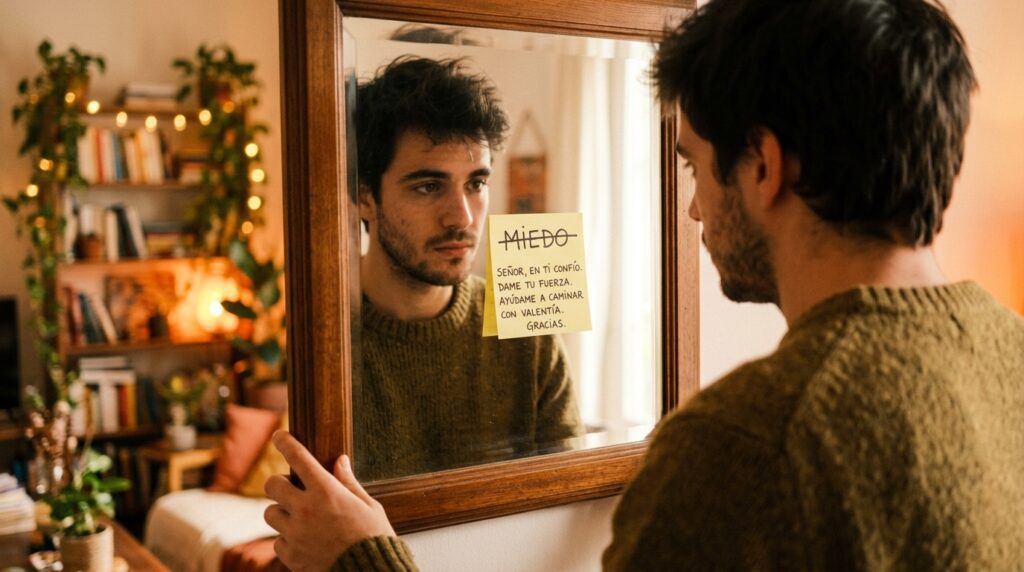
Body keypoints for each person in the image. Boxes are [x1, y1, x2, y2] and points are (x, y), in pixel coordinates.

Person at [264, 1, 1024, 570]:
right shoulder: (1011, 351)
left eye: (693, 164)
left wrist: (363, 561)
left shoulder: (744, 441)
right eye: (429, 184)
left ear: (763, 165)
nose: (690, 205)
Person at [351, 56, 583, 482]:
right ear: (366, 197)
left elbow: (564, 503)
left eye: (476, 184)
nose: (461, 217)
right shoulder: (331, 340)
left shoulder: (526, 330)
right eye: (428, 186)